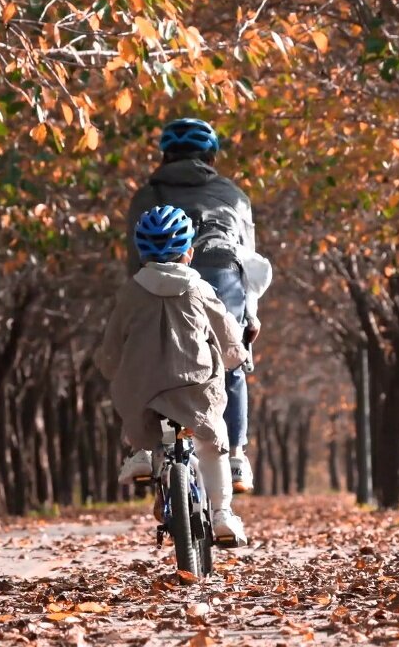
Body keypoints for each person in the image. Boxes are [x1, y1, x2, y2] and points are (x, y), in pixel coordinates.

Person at [95, 205, 250, 546]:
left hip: (144, 389)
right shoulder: (200, 289)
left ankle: (143, 453)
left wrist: (108, 365)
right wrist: (236, 357)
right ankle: (223, 514)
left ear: (140, 254)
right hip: (193, 387)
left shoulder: (130, 293)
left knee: (138, 407)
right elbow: (226, 332)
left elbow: (111, 347)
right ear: (189, 253)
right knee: (212, 442)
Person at [123, 118, 262, 493]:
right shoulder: (234, 196)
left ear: (165, 155)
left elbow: (132, 260)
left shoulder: (146, 195)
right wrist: (250, 316)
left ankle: (144, 449)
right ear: (211, 156)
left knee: (145, 357)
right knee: (231, 356)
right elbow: (249, 260)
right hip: (222, 274)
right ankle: (235, 457)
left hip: (159, 274)